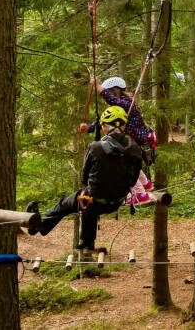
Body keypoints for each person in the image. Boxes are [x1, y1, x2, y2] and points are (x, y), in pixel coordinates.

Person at [28, 106, 143, 252]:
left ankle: (40, 226)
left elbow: (84, 178)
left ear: (106, 126)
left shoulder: (94, 147)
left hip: (92, 202)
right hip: (116, 202)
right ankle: (86, 243)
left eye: (103, 126)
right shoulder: (135, 149)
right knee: (88, 199)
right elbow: (133, 181)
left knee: (68, 203)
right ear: (123, 126)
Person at [81, 75, 155, 203]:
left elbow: (113, 101)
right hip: (131, 138)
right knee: (130, 161)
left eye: (109, 93)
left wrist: (98, 87)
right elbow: (107, 120)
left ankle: (140, 194)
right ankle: (145, 184)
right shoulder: (119, 107)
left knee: (126, 164)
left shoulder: (126, 104)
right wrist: (89, 128)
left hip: (135, 138)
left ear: (114, 91)